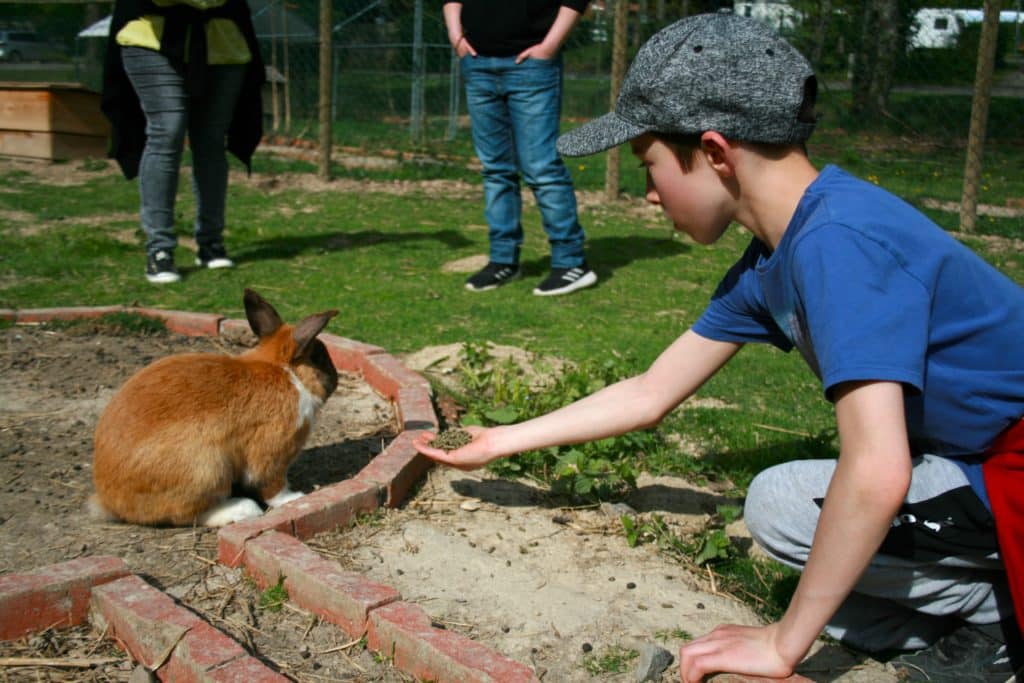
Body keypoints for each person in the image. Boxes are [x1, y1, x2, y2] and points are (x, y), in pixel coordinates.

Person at [414, 13, 1024, 682]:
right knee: (808, 550)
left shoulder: (838, 242)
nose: (647, 192)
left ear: (715, 152)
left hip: (1009, 461)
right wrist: (500, 441)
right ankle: (979, 608)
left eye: (648, 162)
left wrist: (783, 645)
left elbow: (878, 471)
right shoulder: (774, 257)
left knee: (788, 511)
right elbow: (651, 392)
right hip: (973, 459)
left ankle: (993, 617)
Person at [101, 0, 264, 283]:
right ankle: (160, 248)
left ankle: (211, 242)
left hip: (224, 43)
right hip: (150, 39)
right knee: (168, 130)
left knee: (211, 140)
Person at [443, 1, 598, 297]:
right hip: (477, 63)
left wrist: (549, 46)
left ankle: (571, 264)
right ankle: (503, 260)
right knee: (496, 170)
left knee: (541, 168)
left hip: (531, 65)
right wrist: (456, 35)